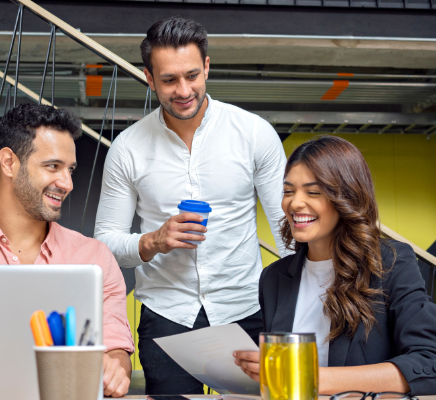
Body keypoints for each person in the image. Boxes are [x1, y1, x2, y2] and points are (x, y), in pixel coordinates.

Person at [94, 17, 289, 395]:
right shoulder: (127, 149)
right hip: (166, 315)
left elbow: (288, 229)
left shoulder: (253, 133)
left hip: (247, 309)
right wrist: (153, 241)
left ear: (207, 68)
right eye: (169, 80)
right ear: (149, 78)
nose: (183, 90)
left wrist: (296, 312)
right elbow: (105, 244)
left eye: (192, 75)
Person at [0, 104, 134, 398]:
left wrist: (115, 368)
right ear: (8, 162)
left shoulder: (95, 259)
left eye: (70, 170)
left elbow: (117, 349)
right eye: (52, 166)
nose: (67, 183)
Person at [233, 135, 436, 396]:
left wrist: (309, 377)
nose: (295, 203)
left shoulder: (390, 263)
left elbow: (434, 364)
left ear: (347, 198)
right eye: (288, 191)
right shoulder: (274, 277)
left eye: (313, 192)